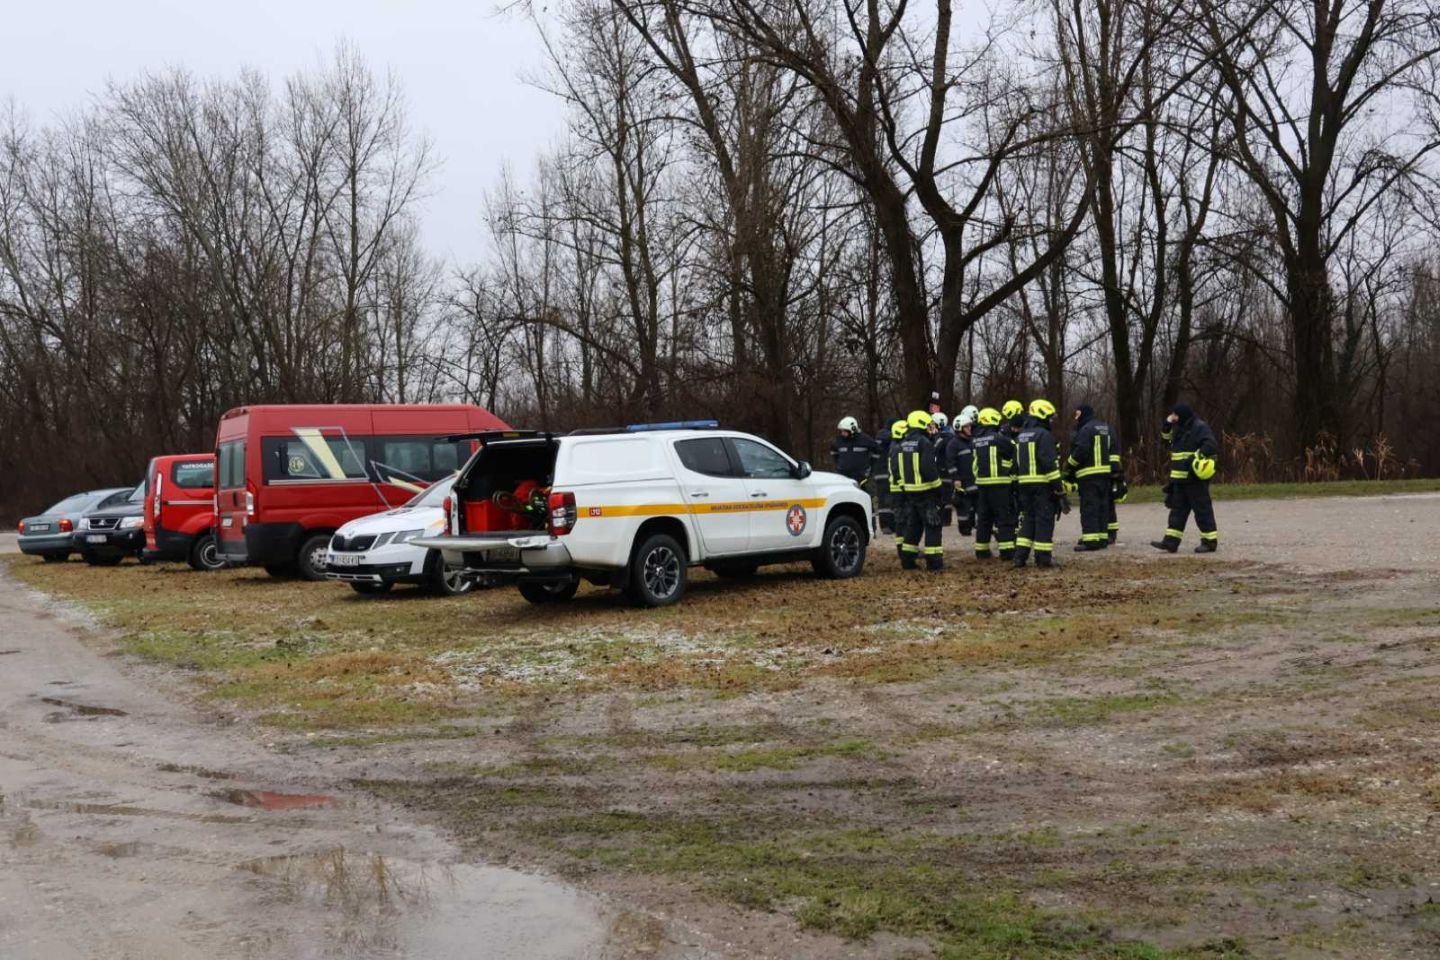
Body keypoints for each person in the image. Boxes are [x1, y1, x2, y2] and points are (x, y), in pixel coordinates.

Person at [1152, 403, 1219, 553]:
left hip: (1194, 478)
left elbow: (1211, 444)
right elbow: (1165, 442)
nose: (1173, 417)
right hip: (1179, 479)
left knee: (1202, 511)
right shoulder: (1179, 428)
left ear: (1182, 415)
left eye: (1175, 415)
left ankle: (1209, 542)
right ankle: (1170, 542)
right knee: (1177, 512)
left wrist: (1196, 456)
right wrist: (1166, 424)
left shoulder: (1199, 427)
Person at [889, 410, 945, 571]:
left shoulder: (902, 444)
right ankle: (934, 563)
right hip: (926, 492)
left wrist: (903, 485)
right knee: (933, 525)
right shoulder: (924, 443)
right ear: (921, 424)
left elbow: (896, 470)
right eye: (928, 425)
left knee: (914, 525)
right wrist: (938, 488)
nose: (930, 428)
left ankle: (907, 560)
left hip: (909, 492)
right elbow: (929, 468)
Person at [1013, 399, 1064, 568]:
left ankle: (1020, 556)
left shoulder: (1022, 436)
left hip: (1024, 485)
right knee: (1044, 519)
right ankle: (1043, 558)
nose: (1050, 421)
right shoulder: (1044, 435)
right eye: (1049, 417)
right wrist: (1058, 486)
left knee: (1028, 519)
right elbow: (1048, 463)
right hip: (1042, 485)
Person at [1065, 403, 1114, 551]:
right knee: (1102, 507)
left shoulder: (1085, 429)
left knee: (1089, 508)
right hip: (1105, 474)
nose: (1076, 417)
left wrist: (1069, 464)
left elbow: (1081, 450)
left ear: (1084, 413)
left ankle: (1091, 540)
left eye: (1077, 414)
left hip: (1089, 475)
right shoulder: (1104, 427)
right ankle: (1102, 538)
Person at [970, 407, 1015, 559]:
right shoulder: (998, 438)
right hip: (1000, 485)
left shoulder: (975, 440)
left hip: (982, 485)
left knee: (984, 519)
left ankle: (981, 550)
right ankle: (1007, 551)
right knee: (1004, 518)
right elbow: (1012, 451)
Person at [878, 418, 908, 538]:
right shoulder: (886, 436)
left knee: (890, 500)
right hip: (885, 472)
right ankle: (886, 525)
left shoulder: (883, 438)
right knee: (885, 500)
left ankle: (892, 524)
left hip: (885, 471)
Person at [830, 417, 881, 486]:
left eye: (844, 431)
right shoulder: (839, 441)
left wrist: (870, 466)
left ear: (852, 430)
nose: (842, 433)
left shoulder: (865, 439)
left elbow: (877, 450)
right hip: (843, 476)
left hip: (861, 477)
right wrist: (839, 465)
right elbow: (833, 452)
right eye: (841, 431)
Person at [951, 407, 978, 535]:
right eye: (966, 427)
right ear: (959, 428)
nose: (969, 429)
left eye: (969, 426)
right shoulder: (954, 444)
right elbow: (951, 463)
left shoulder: (972, 441)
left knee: (976, 505)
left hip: (975, 479)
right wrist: (956, 478)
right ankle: (964, 528)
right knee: (963, 505)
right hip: (962, 480)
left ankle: (974, 524)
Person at [930, 412, 956, 527]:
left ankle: (944, 519)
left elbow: (933, 450)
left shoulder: (941, 438)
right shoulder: (951, 435)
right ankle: (947, 518)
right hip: (948, 470)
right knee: (947, 495)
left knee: (943, 495)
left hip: (942, 469)